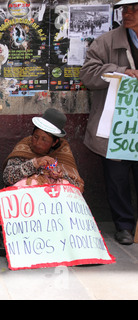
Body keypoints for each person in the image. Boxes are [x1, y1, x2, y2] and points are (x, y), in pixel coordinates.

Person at [79, 0, 138, 245]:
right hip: (118, 125)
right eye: (124, 9)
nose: (127, 13)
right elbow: (87, 75)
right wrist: (119, 71)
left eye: (134, 8)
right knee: (117, 178)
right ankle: (124, 225)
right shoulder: (107, 41)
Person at [0, 108, 84, 243]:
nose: (37, 143)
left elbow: (76, 187)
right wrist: (34, 164)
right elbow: (8, 177)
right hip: (25, 211)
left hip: (52, 213)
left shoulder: (63, 152)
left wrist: (58, 175)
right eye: (35, 137)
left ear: (54, 142)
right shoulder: (24, 146)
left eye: (44, 140)